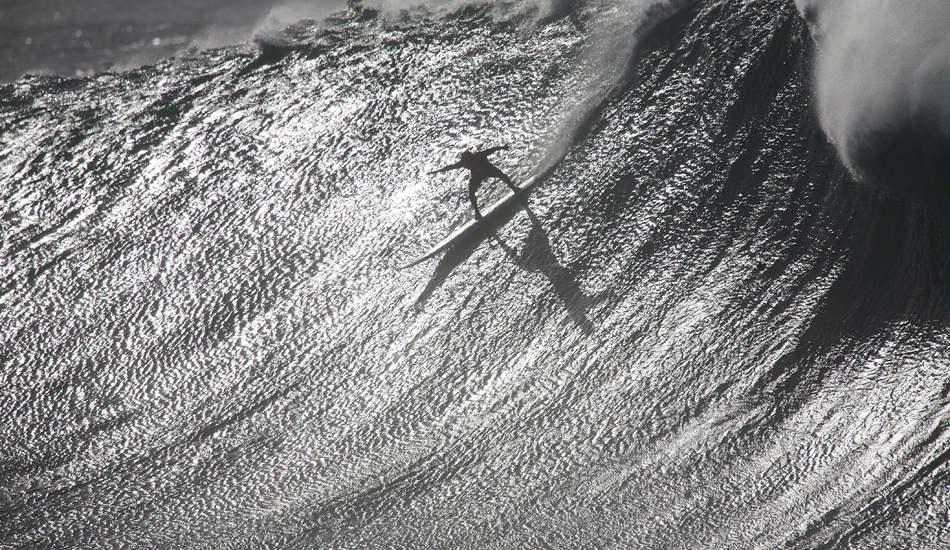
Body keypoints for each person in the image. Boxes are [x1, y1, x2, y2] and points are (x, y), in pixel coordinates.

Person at [429, 146, 519, 220]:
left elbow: (491, 149)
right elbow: (450, 167)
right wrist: (436, 172)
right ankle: (477, 212)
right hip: (477, 176)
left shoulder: (480, 155)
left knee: (503, 176)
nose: (468, 164)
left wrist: (502, 147)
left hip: (489, 170)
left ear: (472, 157)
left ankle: (514, 188)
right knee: (471, 193)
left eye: (469, 161)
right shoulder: (464, 163)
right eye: (466, 162)